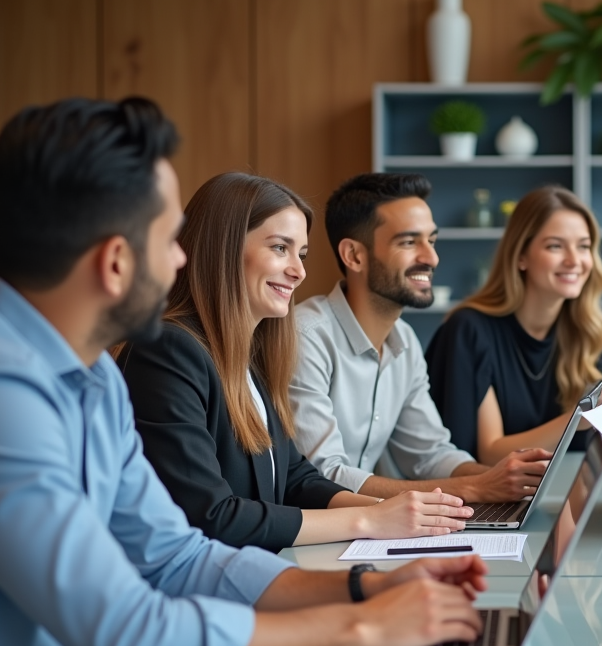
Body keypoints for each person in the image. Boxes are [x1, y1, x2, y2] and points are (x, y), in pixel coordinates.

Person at [0, 97, 485, 646]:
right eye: (168, 240)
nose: (181, 260)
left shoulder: (92, 379)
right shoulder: (4, 395)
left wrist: (366, 588)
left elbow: (179, 555)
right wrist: (363, 626)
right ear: (115, 262)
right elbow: (130, 636)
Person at [117, 172, 474, 552]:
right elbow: (212, 516)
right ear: (223, 247)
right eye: (279, 248)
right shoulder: (168, 350)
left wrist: (399, 512)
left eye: (301, 254)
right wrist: (370, 519)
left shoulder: (246, 356)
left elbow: (295, 479)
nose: (299, 271)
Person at [290, 172, 552, 503]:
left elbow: (428, 454)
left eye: (432, 240)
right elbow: (323, 476)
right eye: (409, 242)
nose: (431, 258)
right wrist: (476, 488)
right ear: (354, 256)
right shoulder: (306, 339)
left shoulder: (405, 341)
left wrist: (503, 479)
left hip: (362, 527)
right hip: (310, 536)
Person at [425, 185, 602, 463]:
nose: (574, 260)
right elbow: (489, 453)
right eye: (555, 246)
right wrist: (578, 417)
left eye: (584, 246)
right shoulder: (470, 331)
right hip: (499, 503)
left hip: (579, 501)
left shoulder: (598, 331)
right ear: (521, 256)